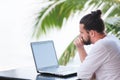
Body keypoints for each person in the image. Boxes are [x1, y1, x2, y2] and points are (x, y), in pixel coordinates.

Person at [74, 10, 120, 80]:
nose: (80, 36)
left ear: (92, 33)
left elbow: (82, 75)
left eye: (82, 32)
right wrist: (81, 47)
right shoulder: (112, 39)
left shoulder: (102, 45)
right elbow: (89, 73)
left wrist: (80, 48)